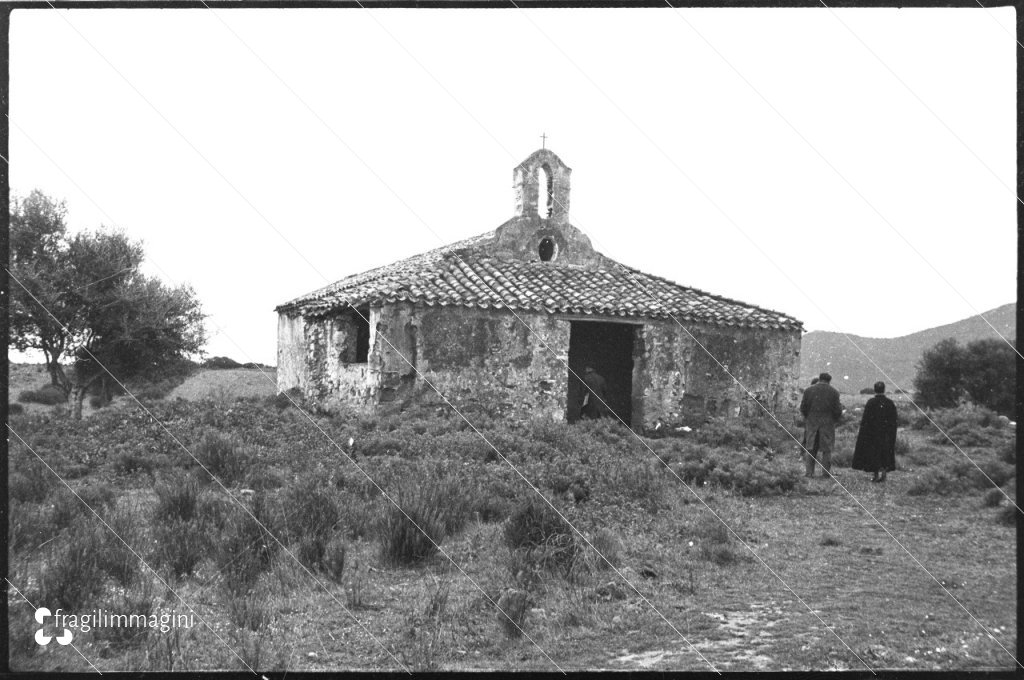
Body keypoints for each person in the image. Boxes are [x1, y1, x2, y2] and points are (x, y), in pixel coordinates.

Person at [851, 381, 898, 482]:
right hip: (886, 434)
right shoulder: (890, 403)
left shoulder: (871, 402)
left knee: (874, 453)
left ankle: (876, 475)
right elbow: (894, 420)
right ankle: (884, 474)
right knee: (885, 452)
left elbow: (865, 420)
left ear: (875, 389)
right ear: (884, 389)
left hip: (873, 434)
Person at [799, 372, 844, 477]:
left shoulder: (808, 390)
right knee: (826, 450)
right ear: (829, 380)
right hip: (827, 424)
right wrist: (834, 419)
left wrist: (809, 417)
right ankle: (825, 473)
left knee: (810, 448)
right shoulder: (834, 392)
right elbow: (838, 410)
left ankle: (809, 473)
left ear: (819, 379)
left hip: (812, 423)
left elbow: (803, 408)